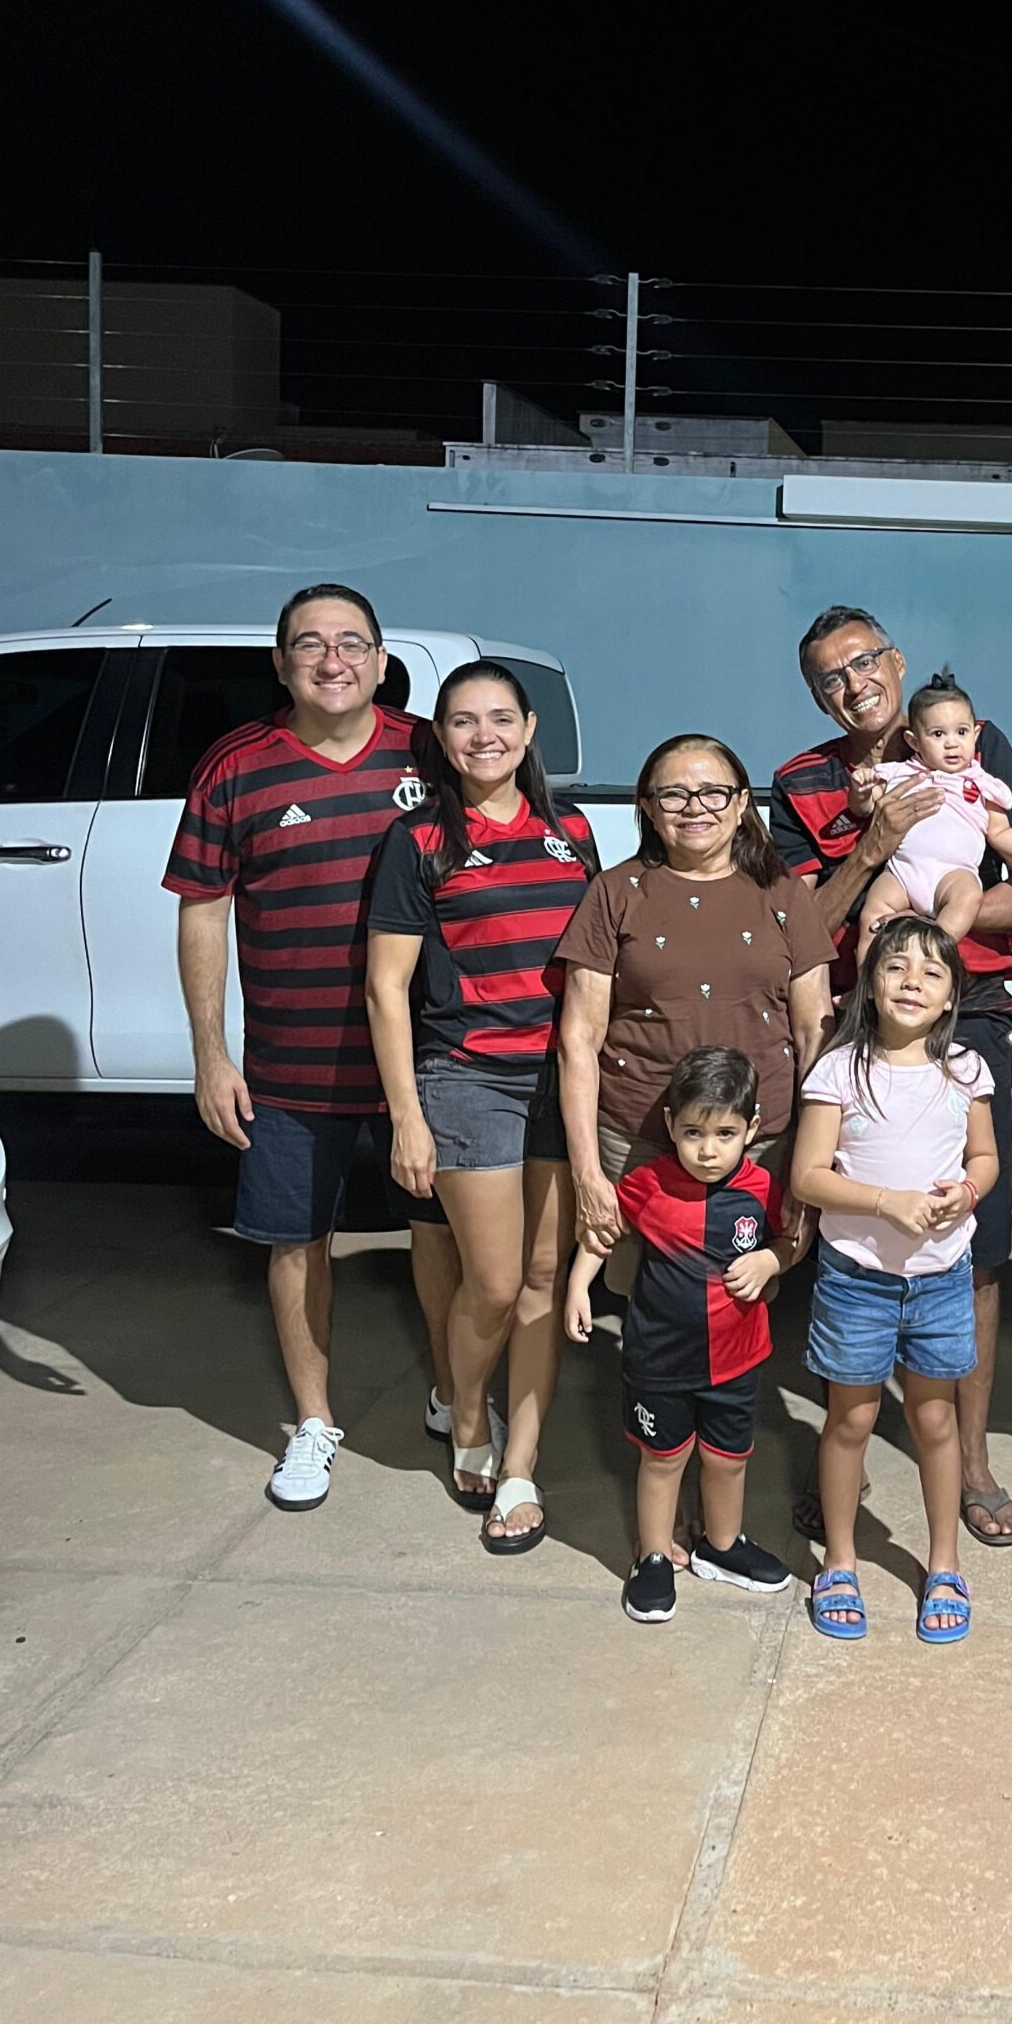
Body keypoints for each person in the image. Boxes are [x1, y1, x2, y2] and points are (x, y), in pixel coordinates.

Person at [166, 583, 460, 1513]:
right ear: (280, 663)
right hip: (293, 1064)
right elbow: (203, 912)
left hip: (426, 1058)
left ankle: (455, 1395)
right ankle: (313, 1423)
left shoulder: (430, 751)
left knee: (441, 1234)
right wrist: (212, 1054)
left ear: (381, 660)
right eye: (309, 644)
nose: (332, 661)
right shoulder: (236, 766)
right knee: (296, 1243)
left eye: (351, 643)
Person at [771, 606, 1012, 1549]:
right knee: (844, 1226)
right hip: (856, 1026)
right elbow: (800, 924)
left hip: (968, 1016)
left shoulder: (974, 738)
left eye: (863, 662)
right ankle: (840, 1451)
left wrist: (934, 929)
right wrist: (872, 846)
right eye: (829, 677)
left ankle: (969, 1459)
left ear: (895, 662)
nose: (852, 684)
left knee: (972, 1236)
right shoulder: (804, 781)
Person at [366, 661, 598, 1550]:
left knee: (543, 1281)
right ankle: (466, 1413)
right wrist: (407, 1116)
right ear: (441, 737)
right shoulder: (418, 839)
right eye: (463, 721)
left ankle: (522, 1466)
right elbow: (386, 989)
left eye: (501, 717)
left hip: (563, 1079)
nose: (483, 735)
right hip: (469, 1077)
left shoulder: (571, 830)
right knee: (495, 1282)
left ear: (530, 729)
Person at [555, 733, 834, 1317]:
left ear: (741, 803)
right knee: (646, 1302)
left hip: (759, 1141)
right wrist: (587, 1173)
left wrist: (812, 1159)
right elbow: (578, 1040)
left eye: (712, 792)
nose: (694, 807)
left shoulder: (785, 895)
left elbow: (815, 1035)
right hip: (637, 1136)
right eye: (674, 795)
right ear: (648, 807)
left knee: (740, 1300)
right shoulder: (613, 893)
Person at [792, 917, 1001, 1643]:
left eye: (932, 972)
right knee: (850, 1420)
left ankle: (944, 1564)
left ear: (951, 996)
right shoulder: (838, 1070)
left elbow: (984, 1159)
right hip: (856, 1280)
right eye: (896, 967)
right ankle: (840, 1562)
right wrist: (886, 1202)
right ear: (870, 985)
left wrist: (965, 1194)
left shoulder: (966, 1069)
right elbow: (808, 1175)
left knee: (935, 1421)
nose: (913, 981)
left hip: (941, 1279)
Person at [566, 1045, 797, 1623]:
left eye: (725, 1134)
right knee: (662, 1460)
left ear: (752, 1129)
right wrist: (577, 1286)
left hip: (737, 1360)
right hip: (659, 1361)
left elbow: (794, 1239)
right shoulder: (649, 1184)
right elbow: (605, 1230)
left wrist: (772, 1260)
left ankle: (723, 1545)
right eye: (693, 1132)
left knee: (728, 1459)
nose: (708, 1149)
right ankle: (652, 1557)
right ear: (670, 1125)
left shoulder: (763, 1190)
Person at [849, 666, 1012, 943]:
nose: (951, 743)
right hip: (903, 872)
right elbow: (867, 808)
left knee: (967, 899)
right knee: (873, 914)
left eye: (961, 732)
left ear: (975, 735)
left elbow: (1001, 833)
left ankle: (934, 950)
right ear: (914, 741)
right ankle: (868, 971)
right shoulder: (900, 773)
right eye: (938, 734)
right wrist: (861, 791)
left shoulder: (983, 784)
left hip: (953, 875)